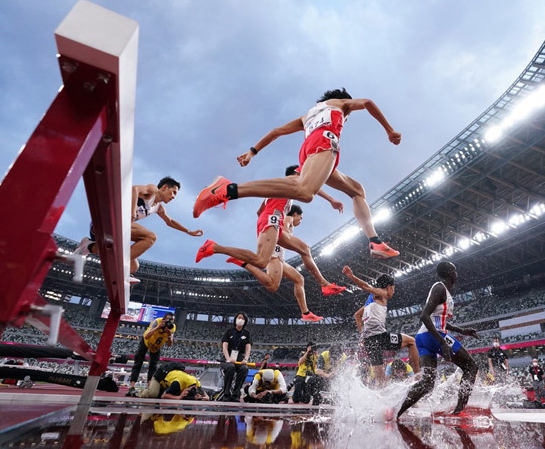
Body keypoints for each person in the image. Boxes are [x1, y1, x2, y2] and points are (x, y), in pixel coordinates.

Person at [193, 88, 401, 259]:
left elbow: (276, 131)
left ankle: (374, 241)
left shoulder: (307, 115)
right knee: (305, 191)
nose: (347, 119)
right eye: (349, 117)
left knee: (357, 190)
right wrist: (389, 130)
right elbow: (367, 103)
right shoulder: (341, 104)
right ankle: (228, 189)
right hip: (325, 143)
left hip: (309, 150)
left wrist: (252, 151)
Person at [195, 167, 327, 321]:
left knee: (299, 278)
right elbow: (313, 188)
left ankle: (305, 313)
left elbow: (259, 212)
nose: (300, 221)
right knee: (270, 278)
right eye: (301, 218)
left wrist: (267, 228)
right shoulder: (290, 203)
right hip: (275, 235)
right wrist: (280, 232)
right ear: (297, 173)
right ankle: (216, 248)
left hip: (270, 224)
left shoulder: (275, 195)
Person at [75, 177, 203, 279]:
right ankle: (118, 268)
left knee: (133, 267)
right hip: (105, 220)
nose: (174, 197)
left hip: (108, 233)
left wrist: (188, 231)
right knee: (151, 237)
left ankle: (89, 246)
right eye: (173, 192)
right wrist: (131, 212)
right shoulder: (152, 190)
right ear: (164, 188)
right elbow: (134, 189)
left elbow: (170, 222)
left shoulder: (158, 208)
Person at [397, 262, 480, 418]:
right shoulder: (440, 288)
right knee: (471, 367)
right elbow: (424, 315)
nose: (457, 274)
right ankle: (459, 411)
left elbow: (438, 319)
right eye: (455, 270)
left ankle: (397, 412)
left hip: (423, 338)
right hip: (432, 336)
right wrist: (442, 342)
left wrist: (462, 330)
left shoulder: (443, 291)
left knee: (427, 384)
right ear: (449, 272)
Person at [344, 266, 420, 385]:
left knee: (380, 381)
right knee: (411, 341)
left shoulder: (370, 301)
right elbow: (366, 287)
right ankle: (417, 378)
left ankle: (379, 400)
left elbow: (357, 315)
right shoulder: (382, 293)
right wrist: (352, 277)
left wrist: (362, 333)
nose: (393, 292)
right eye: (393, 289)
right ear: (388, 287)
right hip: (380, 337)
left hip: (369, 341)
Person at [278, 202, 347, 296]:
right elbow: (284, 227)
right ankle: (323, 283)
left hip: (276, 250)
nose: (300, 221)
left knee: (274, 283)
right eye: (300, 218)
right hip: (279, 236)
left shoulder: (287, 221)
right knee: (305, 249)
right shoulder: (289, 218)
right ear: (295, 214)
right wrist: (288, 238)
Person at [125, 313, 176, 397]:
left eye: (172, 320)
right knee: (138, 363)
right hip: (146, 342)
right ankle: (132, 387)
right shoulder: (157, 321)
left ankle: (149, 388)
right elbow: (147, 336)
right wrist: (158, 327)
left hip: (156, 346)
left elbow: (170, 344)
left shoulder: (172, 327)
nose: (170, 322)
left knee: (153, 366)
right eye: (168, 319)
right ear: (164, 319)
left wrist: (169, 335)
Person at [219, 312, 252, 402]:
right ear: (235, 319)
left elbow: (248, 348)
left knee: (244, 369)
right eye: (239, 317)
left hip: (239, 357)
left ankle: (236, 394)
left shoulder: (247, 333)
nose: (240, 319)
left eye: (243, 318)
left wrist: (245, 359)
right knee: (230, 367)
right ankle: (226, 393)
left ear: (245, 321)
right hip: (228, 357)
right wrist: (228, 358)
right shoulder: (229, 332)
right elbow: (224, 347)